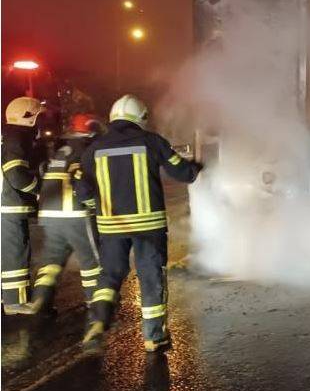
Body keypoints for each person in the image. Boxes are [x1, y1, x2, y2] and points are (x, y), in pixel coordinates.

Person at [78, 95, 202, 353]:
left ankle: (99, 320)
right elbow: (183, 172)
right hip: (148, 227)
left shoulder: (93, 148)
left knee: (109, 276)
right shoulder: (151, 141)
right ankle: (154, 337)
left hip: (112, 227)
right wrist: (198, 167)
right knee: (151, 276)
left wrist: (97, 211)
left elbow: (83, 190)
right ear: (141, 118)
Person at [23, 114, 102, 315]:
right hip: (75, 214)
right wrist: (93, 204)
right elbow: (82, 181)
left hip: (49, 215)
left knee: (51, 260)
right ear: (91, 132)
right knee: (90, 259)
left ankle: (41, 299)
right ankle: (96, 303)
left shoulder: (61, 151)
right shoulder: (86, 151)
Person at [1, 97, 44, 313]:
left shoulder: (6, 136)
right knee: (15, 251)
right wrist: (38, 189)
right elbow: (16, 175)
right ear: (29, 119)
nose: (40, 123)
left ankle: (6, 299)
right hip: (8, 206)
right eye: (38, 117)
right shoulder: (17, 138)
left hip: (4, 204)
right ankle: (14, 302)